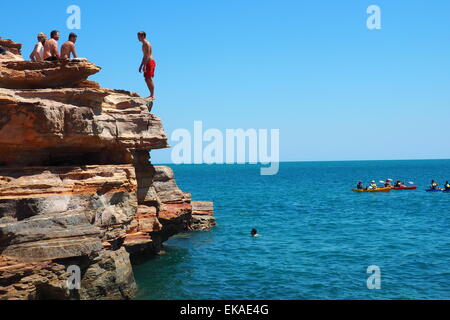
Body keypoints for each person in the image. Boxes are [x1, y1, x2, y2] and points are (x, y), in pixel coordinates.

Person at [138, 31, 156, 100]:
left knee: (149, 78)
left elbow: (148, 56)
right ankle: (151, 94)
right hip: (147, 62)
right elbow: (144, 56)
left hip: (150, 62)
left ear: (143, 36)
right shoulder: (143, 45)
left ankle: (152, 95)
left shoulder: (147, 44)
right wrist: (141, 65)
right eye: (138, 36)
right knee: (146, 79)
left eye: (139, 36)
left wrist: (144, 65)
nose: (138, 38)